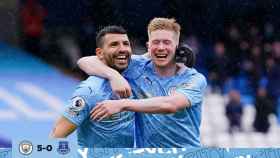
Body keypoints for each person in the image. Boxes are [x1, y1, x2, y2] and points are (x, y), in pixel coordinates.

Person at [77, 17, 207, 147]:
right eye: (156, 42)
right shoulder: (136, 67)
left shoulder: (194, 78)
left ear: (177, 47)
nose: (161, 47)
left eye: (167, 42)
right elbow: (84, 61)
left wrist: (122, 104)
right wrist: (114, 75)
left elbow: (171, 105)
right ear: (148, 46)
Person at [50, 26, 136, 148]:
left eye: (126, 44)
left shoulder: (135, 75)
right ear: (99, 53)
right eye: (114, 45)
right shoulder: (89, 91)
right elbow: (57, 135)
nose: (122, 49)